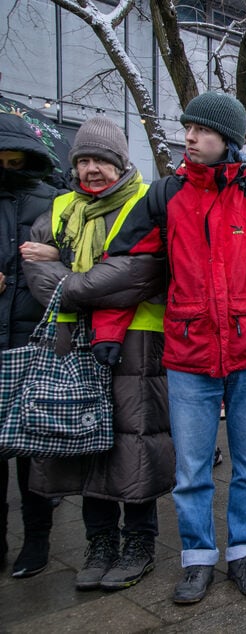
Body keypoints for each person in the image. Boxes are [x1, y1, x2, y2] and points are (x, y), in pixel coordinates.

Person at [92, 92, 246, 604]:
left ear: (227, 139)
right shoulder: (163, 195)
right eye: (188, 128)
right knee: (192, 469)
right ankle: (197, 560)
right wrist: (108, 331)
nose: (190, 137)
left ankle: (245, 553)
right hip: (188, 355)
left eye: (201, 130)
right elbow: (124, 266)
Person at [21, 116, 172, 591]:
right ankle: (100, 540)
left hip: (139, 343)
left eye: (101, 161)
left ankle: (140, 542)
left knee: (136, 442)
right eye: (83, 160)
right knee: (83, 441)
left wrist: (66, 274)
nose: (91, 170)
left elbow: (139, 274)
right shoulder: (60, 207)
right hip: (73, 342)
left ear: (121, 163)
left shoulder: (145, 204)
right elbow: (34, 272)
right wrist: (89, 281)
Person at [0, 113, 57, 577]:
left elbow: (81, 259)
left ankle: (37, 540)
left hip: (34, 338)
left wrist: (56, 257)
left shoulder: (51, 202)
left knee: (35, 447)